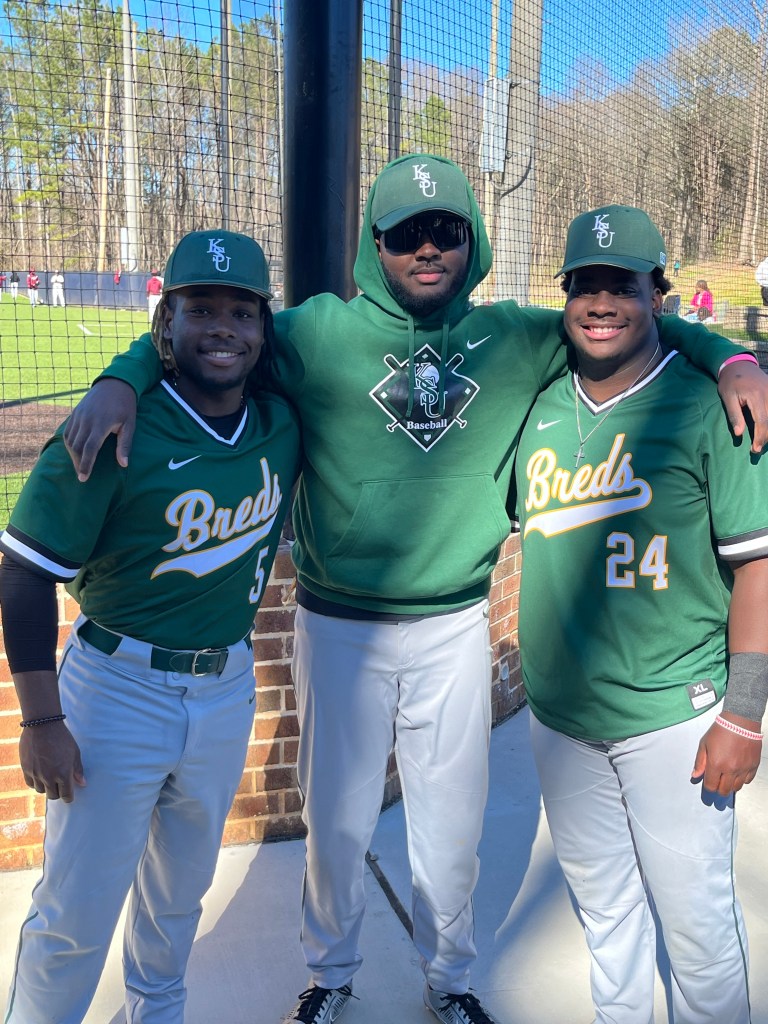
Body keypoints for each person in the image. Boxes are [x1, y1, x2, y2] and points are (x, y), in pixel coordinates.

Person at [61, 156, 768, 1024]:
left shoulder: (517, 336)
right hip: (338, 624)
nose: (427, 248)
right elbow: (211, 335)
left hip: (453, 621)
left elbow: (632, 318)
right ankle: (331, 975)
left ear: (472, 240)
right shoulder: (316, 334)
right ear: (375, 244)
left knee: (451, 829)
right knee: (337, 825)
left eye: (446, 230)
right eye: (405, 233)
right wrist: (123, 375)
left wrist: (732, 355)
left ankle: (450, 980)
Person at [0, 229, 300, 1024]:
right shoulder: (111, 428)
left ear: (264, 328)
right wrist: (41, 721)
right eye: (201, 308)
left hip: (226, 687)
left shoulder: (280, 421)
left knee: (178, 898)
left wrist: (125, 369)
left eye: (242, 311)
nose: (223, 328)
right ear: (166, 319)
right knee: (75, 912)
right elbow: (23, 572)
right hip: (116, 690)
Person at [514, 204, 768, 1024]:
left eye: (621, 285)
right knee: (607, 922)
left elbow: (759, 567)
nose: (600, 303)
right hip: (561, 721)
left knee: (698, 936)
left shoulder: (709, 408)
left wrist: (745, 715)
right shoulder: (541, 404)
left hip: (673, 720)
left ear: (657, 295)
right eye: (584, 284)